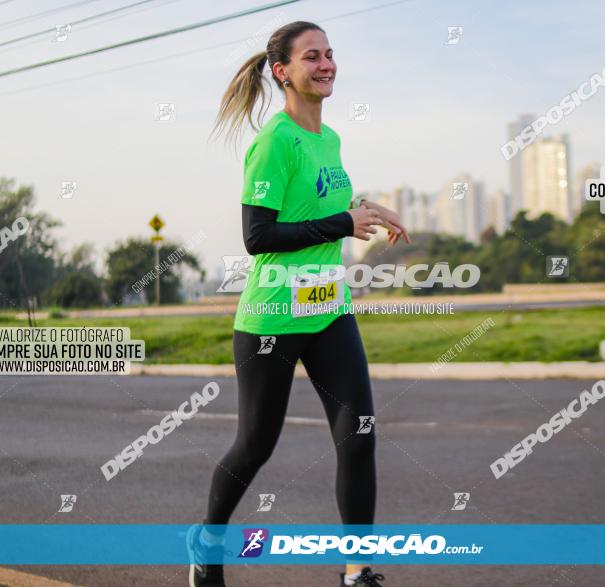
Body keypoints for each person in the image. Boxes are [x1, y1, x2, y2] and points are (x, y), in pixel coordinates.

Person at [187, 20, 410, 587]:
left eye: (331, 53)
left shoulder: (328, 139)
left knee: (359, 434)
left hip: (328, 309)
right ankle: (207, 543)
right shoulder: (273, 141)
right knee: (255, 445)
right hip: (272, 318)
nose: (327, 63)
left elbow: (315, 204)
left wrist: (365, 206)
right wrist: (343, 221)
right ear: (283, 71)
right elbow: (258, 237)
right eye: (313, 56)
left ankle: (357, 569)